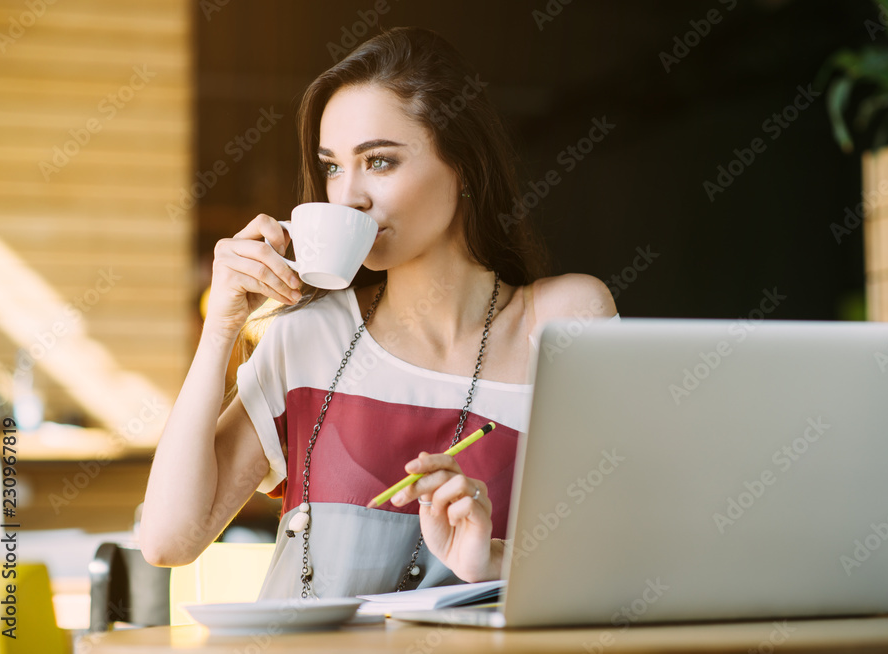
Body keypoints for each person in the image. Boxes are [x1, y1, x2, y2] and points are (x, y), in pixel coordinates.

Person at [139, 26, 619, 599]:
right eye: (333, 167)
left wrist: (495, 561)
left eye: (380, 162)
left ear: (464, 165)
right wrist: (220, 330)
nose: (348, 197)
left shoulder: (562, 321)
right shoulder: (308, 336)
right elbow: (168, 541)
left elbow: (621, 558)